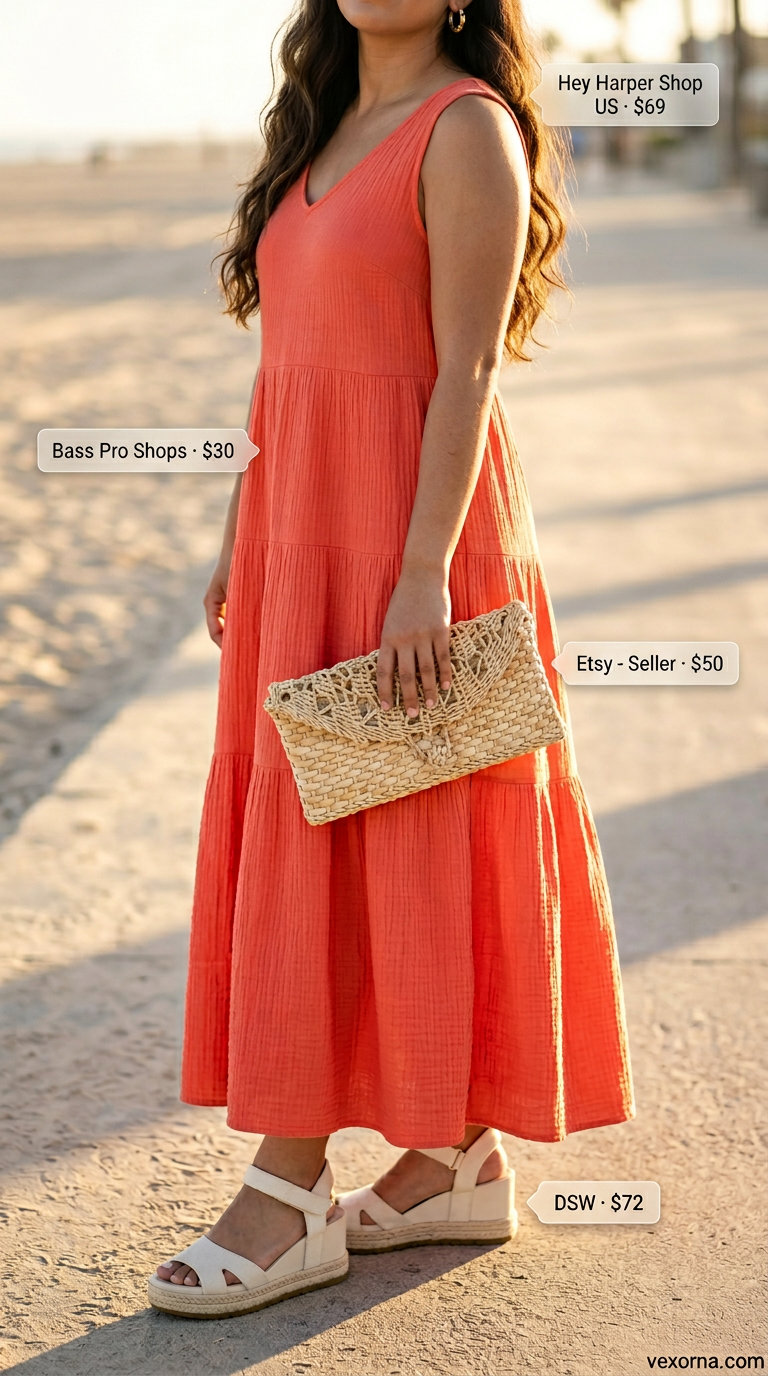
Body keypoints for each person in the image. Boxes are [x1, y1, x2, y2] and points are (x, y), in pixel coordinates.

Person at [148, 0, 635, 1318]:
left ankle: (291, 1185)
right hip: (303, 528)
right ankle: (451, 1163)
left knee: (400, 815)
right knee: (341, 813)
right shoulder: (319, 128)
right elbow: (290, 364)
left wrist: (422, 573)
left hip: (415, 532)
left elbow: (467, 368)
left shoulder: (466, 128)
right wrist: (241, 530)